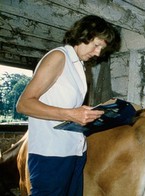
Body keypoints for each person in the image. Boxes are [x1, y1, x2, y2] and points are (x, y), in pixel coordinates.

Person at [16, 15, 117, 195]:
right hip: (51, 154)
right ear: (83, 35)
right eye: (96, 45)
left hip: (74, 151)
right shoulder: (58, 56)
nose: (98, 53)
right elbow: (24, 104)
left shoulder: (79, 66)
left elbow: (69, 109)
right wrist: (71, 114)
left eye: (102, 48)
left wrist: (87, 116)